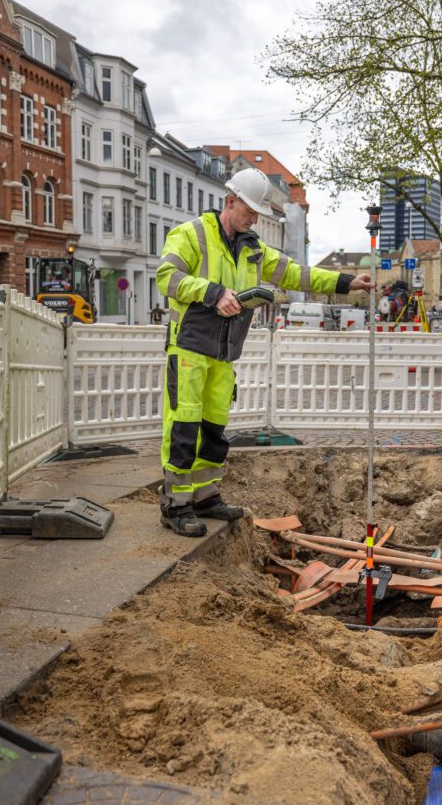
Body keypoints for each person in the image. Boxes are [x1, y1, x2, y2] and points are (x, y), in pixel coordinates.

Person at [156, 167, 374, 536]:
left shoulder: (253, 249)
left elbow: (296, 274)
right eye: (250, 211)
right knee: (183, 427)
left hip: (224, 352)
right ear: (230, 201)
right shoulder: (191, 234)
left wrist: (345, 281)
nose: (254, 218)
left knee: (213, 429)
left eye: (258, 214)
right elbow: (167, 277)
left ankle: (206, 496)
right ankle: (175, 505)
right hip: (191, 347)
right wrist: (213, 293)